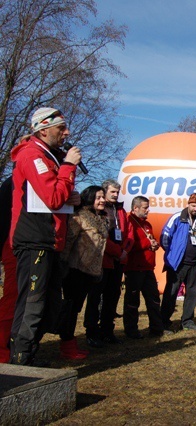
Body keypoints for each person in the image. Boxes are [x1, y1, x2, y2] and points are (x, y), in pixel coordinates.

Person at [10, 107, 81, 365]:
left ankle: (28, 356)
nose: (67, 132)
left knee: (49, 307)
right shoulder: (32, 155)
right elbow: (52, 197)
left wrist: (72, 197)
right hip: (34, 240)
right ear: (43, 130)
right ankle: (21, 361)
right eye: (61, 128)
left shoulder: (50, 157)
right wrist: (69, 166)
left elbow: (58, 197)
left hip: (50, 241)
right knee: (33, 304)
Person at [58, 186, 109, 360]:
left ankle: (69, 343)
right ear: (89, 198)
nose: (102, 200)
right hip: (75, 270)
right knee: (70, 309)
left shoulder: (102, 219)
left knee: (77, 309)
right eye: (98, 197)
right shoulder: (79, 217)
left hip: (92, 272)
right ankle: (67, 346)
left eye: (103, 197)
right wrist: (63, 267)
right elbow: (68, 242)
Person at [84, 179, 133, 347]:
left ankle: (107, 331)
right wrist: (118, 252)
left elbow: (128, 233)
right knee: (95, 298)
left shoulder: (120, 210)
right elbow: (100, 236)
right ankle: (91, 332)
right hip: (102, 261)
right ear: (104, 192)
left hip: (118, 261)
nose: (115, 195)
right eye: (112, 192)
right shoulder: (99, 210)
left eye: (117, 192)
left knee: (112, 297)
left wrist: (124, 251)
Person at [160, 193, 196, 332]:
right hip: (178, 263)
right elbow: (165, 235)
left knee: (192, 293)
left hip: (194, 263)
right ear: (188, 204)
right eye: (193, 205)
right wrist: (171, 253)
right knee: (171, 292)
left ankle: (187, 321)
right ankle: (164, 321)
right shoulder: (177, 218)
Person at [123, 196, 164, 339]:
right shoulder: (129, 222)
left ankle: (157, 329)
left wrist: (154, 244)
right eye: (145, 207)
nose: (148, 210)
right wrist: (148, 245)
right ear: (135, 208)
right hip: (134, 268)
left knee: (153, 299)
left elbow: (149, 239)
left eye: (148, 207)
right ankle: (131, 331)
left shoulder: (148, 225)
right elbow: (128, 244)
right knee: (133, 301)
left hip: (148, 268)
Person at [0, 178, 17, 363]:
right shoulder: (11, 182)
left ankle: (15, 347)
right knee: (12, 298)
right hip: (13, 244)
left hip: (29, 244)